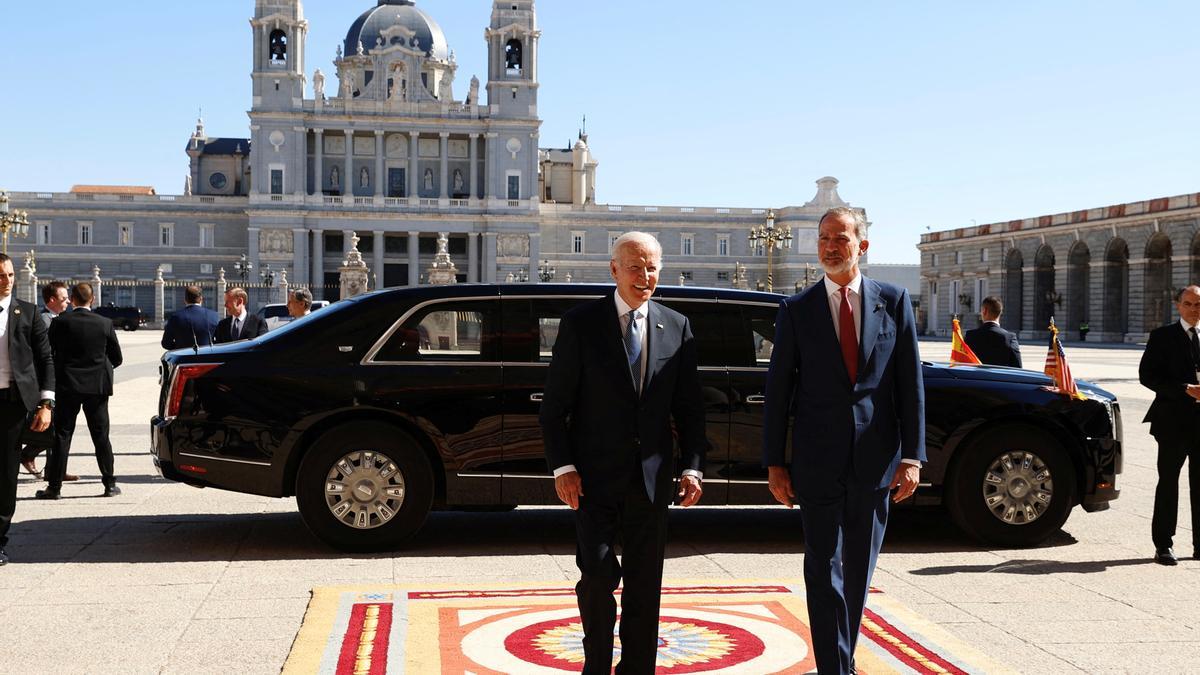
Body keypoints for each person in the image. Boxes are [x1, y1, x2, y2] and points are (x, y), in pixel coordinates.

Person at [763, 207, 925, 675]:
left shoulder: (893, 302)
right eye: (823, 238)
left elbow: (908, 383)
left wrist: (913, 456)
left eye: (840, 238)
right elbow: (779, 391)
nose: (830, 246)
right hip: (816, 464)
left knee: (858, 572)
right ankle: (835, 669)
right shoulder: (796, 309)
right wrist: (775, 461)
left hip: (876, 461)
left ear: (862, 245)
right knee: (822, 569)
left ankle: (842, 657)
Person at [539, 232, 707, 674]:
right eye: (635, 266)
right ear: (613, 269)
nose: (644, 275)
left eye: (651, 266)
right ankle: (596, 665)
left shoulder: (677, 326)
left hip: (652, 482)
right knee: (595, 577)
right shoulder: (581, 324)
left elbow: (689, 409)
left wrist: (692, 467)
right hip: (592, 481)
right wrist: (563, 466)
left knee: (644, 586)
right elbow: (555, 408)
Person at [36, 282, 123, 500]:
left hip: (67, 385)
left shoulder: (61, 322)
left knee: (62, 436)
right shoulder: (104, 323)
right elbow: (117, 358)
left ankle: (54, 487)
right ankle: (109, 483)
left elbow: (49, 352)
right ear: (92, 299)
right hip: (97, 387)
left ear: (72, 300)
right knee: (101, 436)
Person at [1138, 285, 1200, 566]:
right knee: (1168, 484)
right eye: (1189, 304)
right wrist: (1184, 388)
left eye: (1198, 304)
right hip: (1173, 422)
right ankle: (1163, 545)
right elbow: (1147, 376)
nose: (1194, 309)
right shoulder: (1162, 337)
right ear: (1178, 306)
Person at [0, 254, 55, 564]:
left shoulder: (28, 313)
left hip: (11, 402)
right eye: (1, 275)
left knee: (6, 474)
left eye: (9, 275)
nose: (7, 280)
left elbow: (45, 360)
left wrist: (45, 403)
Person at [19, 281, 71, 481]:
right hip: (45, 382)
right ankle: (31, 457)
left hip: (57, 380)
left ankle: (53, 468)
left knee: (56, 426)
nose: (67, 301)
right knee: (49, 426)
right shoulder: (42, 320)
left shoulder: (60, 319)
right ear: (51, 300)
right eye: (63, 298)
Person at [964, 296, 1023, 367]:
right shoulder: (1009, 337)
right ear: (1000, 312)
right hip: (1000, 378)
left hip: (976, 377)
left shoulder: (970, 335)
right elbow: (1018, 368)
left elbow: (963, 364)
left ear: (984, 311)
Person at [161, 285, 219, 351]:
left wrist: (180, 348)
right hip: (207, 359)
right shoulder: (214, 316)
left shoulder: (175, 317)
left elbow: (166, 343)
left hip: (184, 359)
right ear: (201, 299)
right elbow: (220, 342)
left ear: (185, 300)